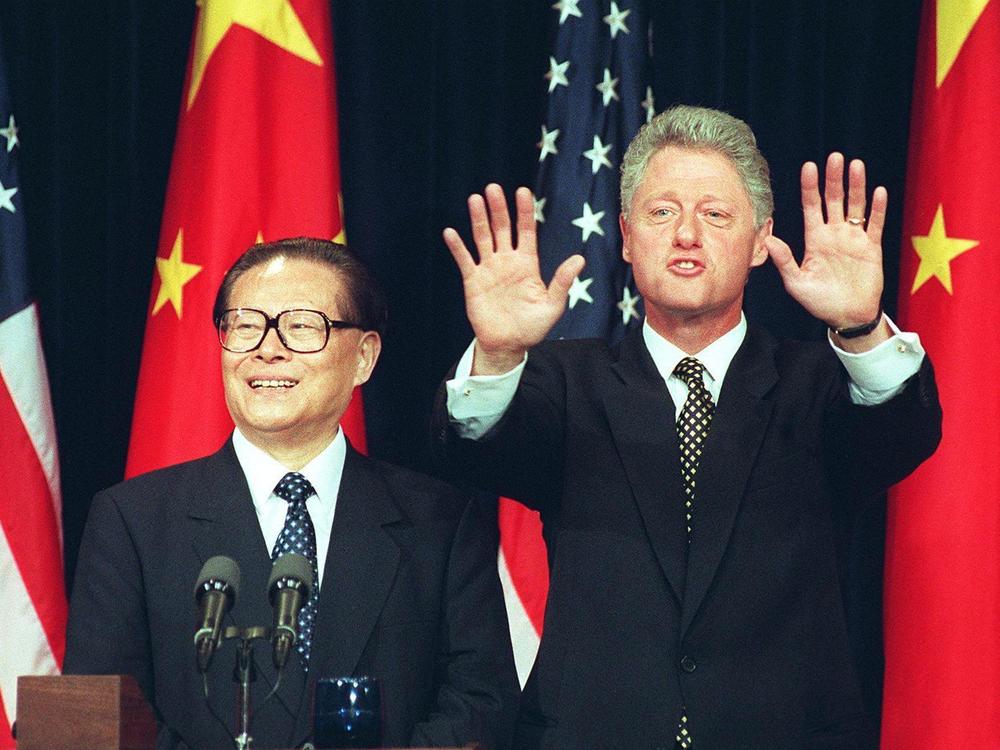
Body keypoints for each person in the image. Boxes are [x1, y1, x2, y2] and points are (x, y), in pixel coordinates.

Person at [433, 105, 941, 749]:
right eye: (662, 212)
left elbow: (904, 434)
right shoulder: (563, 382)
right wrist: (500, 354)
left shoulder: (823, 383)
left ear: (761, 240)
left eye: (716, 214)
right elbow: (471, 453)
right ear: (624, 234)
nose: (686, 235)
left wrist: (861, 328)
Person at [65, 238, 519, 749]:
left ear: (364, 357)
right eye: (245, 325)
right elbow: (99, 718)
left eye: (301, 325)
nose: (268, 347)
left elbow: (481, 707)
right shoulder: (133, 521)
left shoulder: (439, 521)